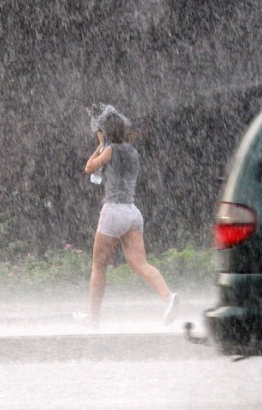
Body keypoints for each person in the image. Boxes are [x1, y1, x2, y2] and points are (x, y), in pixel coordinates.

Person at [75, 106, 178, 329]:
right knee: (140, 264)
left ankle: (94, 319)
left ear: (106, 131)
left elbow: (89, 168)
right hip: (132, 213)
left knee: (98, 267)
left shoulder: (110, 150)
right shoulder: (133, 152)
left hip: (113, 212)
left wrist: (100, 144)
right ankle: (168, 297)